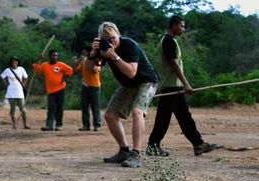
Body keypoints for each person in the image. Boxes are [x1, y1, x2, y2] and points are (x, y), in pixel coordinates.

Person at [84, 22, 159, 168]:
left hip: (147, 81)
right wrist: (93, 53)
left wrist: (114, 56)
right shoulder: (103, 48)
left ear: (118, 34)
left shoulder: (129, 44)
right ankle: (124, 151)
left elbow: (131, 72)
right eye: (107, 39)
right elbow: (87, 69)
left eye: (113, 38)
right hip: (128, 85)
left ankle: (136, 154)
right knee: (110, 115)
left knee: (137, 111)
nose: (111, 42)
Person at [147, 15, 220, 157]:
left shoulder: (170, 41)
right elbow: (174, 64)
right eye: (181, 26)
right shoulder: (168, 41)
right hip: (172, 86)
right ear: (173, 26)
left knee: (175, 118)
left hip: (171, 85)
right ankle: (197, 144)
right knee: (181, 118)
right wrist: (185, 83)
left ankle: (195, 144)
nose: (183, 29)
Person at [33, 49, 73, 131]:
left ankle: (59, 125)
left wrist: (64, 78)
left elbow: (70, 70)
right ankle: (49, 125)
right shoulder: (44, 65)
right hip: (50, 91)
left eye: (56, 55)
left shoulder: (61, 64)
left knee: (59, 107)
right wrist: (38, 59)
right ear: (49, 56)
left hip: (60, 89)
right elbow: (36, 68)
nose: (55, 57)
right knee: (51, 107)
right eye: (53, 55)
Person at [73, 47, 102, 131]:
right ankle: (86, 125)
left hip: (95, 86)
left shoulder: (97, 61)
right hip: (85, 86)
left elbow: (95, 70)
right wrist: (74, 64)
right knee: (84, 105)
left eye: (84, 53)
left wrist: (89, 61)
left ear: (90, 53)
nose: (83, 55)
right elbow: (77, 71)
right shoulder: (84, 61)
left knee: (95, 106)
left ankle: (97, 125)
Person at [0, 56, 30, 129]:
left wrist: (23, 84)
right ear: (11, 62)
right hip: (11, 92)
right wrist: (6, 85)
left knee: (23, 109)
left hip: (19, 91)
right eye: (13, 61)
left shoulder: (21, 69)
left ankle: (25, 124)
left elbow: (26, 77)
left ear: (18, 62)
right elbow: (1, 76)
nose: (14, 62)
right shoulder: (8, 70)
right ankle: (14, 124)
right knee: (12, 109)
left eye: (16, 61)